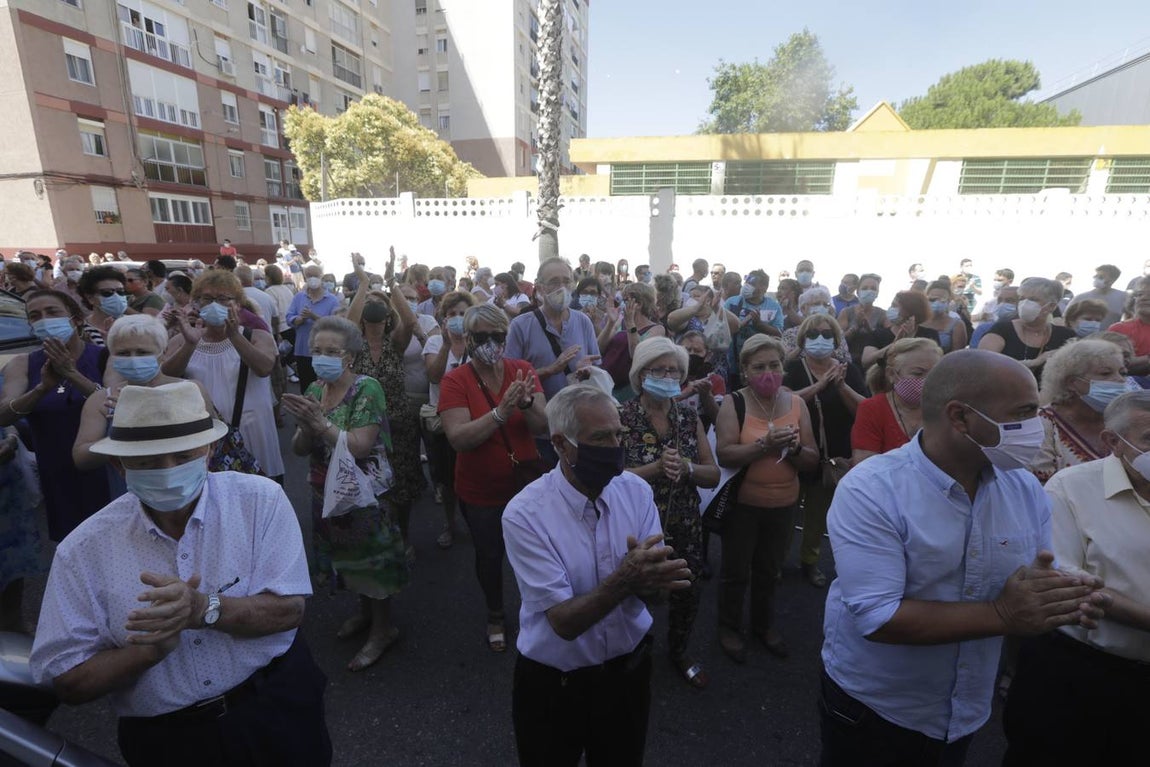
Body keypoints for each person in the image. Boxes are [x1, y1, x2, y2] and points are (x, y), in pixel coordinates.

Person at [818, 349, 1109, 767]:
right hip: (877, 709)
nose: (1036, 425)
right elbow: (878, 616)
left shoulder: (1023, 488)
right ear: (960, 417)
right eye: (1024, 413)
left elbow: (1036, 572)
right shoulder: (872, 490)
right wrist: (1004, 614)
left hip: (966, 712)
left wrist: (1067, 594)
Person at [31, 381, 331, 766]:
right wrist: (148, 650)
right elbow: (68, 681)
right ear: (119, 466)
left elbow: (289, 610)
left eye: (181, 456)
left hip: (275, 707)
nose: (168, 471)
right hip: (168, 741)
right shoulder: (83, 550)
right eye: (149, 462)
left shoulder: (259, 501)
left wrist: (203, 608)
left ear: (208, 452)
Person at [502, 384, 691, 767]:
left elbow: (653, 588)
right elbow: (564, 622)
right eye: (600, 437)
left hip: (627, 676)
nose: (615, 446)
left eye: (619, 434)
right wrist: (627, 580)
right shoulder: (525, 514)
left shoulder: (635, 491)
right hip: (556, 684)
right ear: (560, 444)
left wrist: (655, 582)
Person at [1003, 390, 1150, 764]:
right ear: (1112, 442)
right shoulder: (1071, 489)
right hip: (1081, 674)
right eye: (1149, 439)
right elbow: (1069, 582)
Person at [281, 318, 407, 672]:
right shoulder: (316, 389)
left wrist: (322, 425)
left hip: (364, 494)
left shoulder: (367, 389)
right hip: (327, 491)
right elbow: (299, 449)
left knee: (373, 564)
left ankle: (384, 629)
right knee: (349, 559)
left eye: (331, 352)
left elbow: (361, 446)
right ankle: (365, 615)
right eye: (317, 350)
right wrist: (307, 427)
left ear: (350, 356)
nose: (322, 357)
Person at [439, 303, 549, 652]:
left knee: (538, 552)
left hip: (526, 484)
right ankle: (496, 613)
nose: (491, 343)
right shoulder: (455, 380)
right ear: (468, 339)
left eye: (497, 336)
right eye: (482, 336)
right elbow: (459, 438)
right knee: (489, 555)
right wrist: (501, 413)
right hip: (481, 490)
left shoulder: (523, 369)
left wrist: (528, 404)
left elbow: (544, 426)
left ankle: (542, 609)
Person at [620, 338, 720, 688]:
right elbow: (609, 476)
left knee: (687, 587)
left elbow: (713, 474)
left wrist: (688, 468)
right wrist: (656, 468)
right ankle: (628, 647)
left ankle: (679, 650)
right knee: (630, 588)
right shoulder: (622, 417)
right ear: (641, 374)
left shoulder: (688, 416)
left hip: (684, 520)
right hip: (634, 523)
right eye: (659, 369)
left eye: (674, 370)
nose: (667, 375)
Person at [714, 335, 818, 662]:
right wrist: (765, 445)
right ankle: (729, 626)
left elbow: (812, 458)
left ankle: (763, 625)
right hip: (744, 506)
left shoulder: (797, 404)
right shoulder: (734, 403)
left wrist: (794, 448)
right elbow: (726, 454)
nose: (768, 373)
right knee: (736, 571)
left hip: (785, 505)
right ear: (745, 370)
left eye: (774, 365)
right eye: (759, 367)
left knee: (769, 570)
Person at [0, 289, 111, 540]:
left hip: (105, 467)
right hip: (58, 473)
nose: (45, 320)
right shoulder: (23, 364)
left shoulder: (105, 357)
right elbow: (4, 415)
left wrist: (71, 374)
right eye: (35, 316)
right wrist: (41, 389)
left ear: (76, 318)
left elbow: (115, 404)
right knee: (73, 545)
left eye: (52, 312)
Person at [73, 315, 217, 498]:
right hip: (134, 494)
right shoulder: (102, 400)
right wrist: (122, 432)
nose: (133, 359)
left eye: (142, 352)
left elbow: (213, 441)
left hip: (191, 489)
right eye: (123, 353)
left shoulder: (191, 389)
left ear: (163, 352)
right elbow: (82, 458)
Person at [162, 271, 284, 482]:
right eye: (207, 299)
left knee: (263, 491)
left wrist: (234, 336)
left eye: (223, 299)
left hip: (253, 429)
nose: (214, 304)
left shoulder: (256, 336)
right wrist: (190, 345)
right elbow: (167, 376)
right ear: (196, 303)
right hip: (206, 433)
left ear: (237, 304)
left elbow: (264, 368)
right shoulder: (184, 339)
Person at [784, 314, 867, 587]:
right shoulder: (792, 367)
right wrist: (819, 386)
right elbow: (782, 401)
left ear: (836, 339)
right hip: (794, 452)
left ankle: (810, 562)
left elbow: (862, 411)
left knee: (818, 516)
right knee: (785, 513)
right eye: (813, 334)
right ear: (803, 338)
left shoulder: (848, 370)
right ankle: (776, 562)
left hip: (833, 455)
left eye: (827, 334)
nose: (820, 339)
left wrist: (840, 386)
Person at [345, 266, 427, 545]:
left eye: (380, 303)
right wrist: (364, 283)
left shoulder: (395, 343)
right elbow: (349, 320)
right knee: (368, 486)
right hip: (364, 426)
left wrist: (392, 283)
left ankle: (402, 539)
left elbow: (410, 319)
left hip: (399, 426)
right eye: (370, 302)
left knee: (401, 488)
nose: (374, 306)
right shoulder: (354, 346)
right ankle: (374, 541)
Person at [1027, 339, 1126, 484]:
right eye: (1105, 373)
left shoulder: (1126, 420)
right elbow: (1043, 488)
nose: (1120, 380)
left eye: (1123, 373)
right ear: (1072, 382)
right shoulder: (1043, 425)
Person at [506, 258, 601, 405]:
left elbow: (596, 367)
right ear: (540, 287)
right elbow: (510, 379)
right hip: (539, 418)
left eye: (567, 281)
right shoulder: (520, 325)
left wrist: (587, 371)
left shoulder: (583, 321)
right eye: (554, 282)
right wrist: (550, 370)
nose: (562, 287)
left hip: (578, 415)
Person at [424, 290, 478, 548]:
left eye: (463, 314)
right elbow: (434, 376)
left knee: (475, 473)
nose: (457, 318)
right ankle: (450, 523)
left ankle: (475, 520)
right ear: (444, 318)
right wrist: (446, 345)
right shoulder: (434, 343)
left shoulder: (479, 343)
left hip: (474, 421)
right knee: (447, 480)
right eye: (452, 314)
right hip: (444, 422)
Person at [851, 338, 942, 464]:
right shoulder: (872, 409)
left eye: (934, 373)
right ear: (891, 374)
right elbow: (866, 466)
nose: (927, 380)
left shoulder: (945, 408)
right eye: (918, 373)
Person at [978, 277, 1075, 381]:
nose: (1025, 303)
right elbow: (983, 367)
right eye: (1021, 298)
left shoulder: (1065, 336)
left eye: (1033, 299)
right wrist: (1035, 362)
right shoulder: (1002, 330)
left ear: (1051, 306)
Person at [599, 281, 664, 401]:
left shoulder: (657, 329)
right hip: (606, 385)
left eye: (625, 299)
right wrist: (611, 323)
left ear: (638, 304)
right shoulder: (619, 322)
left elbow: (637, 355)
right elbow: (599, 348)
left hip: (628, 391)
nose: (622, 303)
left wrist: (630, 325)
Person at [666, 283, 737, 384]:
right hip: (688, 370)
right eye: (691, 296)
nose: (692, 299)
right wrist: (696, 308)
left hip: (715, 372)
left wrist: (717, 308)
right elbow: (671, 320)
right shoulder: (687, 317)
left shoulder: (717, 316)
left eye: (696, 296)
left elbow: (736, 325)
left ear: (708, 300)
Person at [286, 264, 341, 392]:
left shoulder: (332, 300)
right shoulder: (299, 297)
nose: (312, 279)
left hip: (325, 350)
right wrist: (299, 319)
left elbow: (336, 324)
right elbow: (289, 317)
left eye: (315, 276)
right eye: (309, 276)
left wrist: (314, 316)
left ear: (321, 277)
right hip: (303, 349)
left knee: (327, 386)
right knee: (306, 386)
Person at [861, 291, 941, 368]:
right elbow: (866, 361)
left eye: (894, 305)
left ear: (909, 311)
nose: (890, 309)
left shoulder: (929, 335)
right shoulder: (878, 334)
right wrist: (896, 343)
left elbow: (936, 363)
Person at [838, 273, 889, 366]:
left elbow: (886, 341)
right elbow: (839, 341)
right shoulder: (846, 312)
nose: (869, 291)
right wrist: (855, 327)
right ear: (858, 291)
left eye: (873, 288)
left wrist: (869, 329)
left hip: (873, 364)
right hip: (849, 362)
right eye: (865, 288)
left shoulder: (883, 314)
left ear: (877, 293)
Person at [77, 265, 130, 346]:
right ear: (90, 298)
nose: (116, 296)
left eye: (120, 291)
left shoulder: (136, 325)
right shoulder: (81, 332)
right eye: (107, 292)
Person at [1066, 264, 1126, 328]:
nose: (1096, 278)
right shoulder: (1081, 297)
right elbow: (1067, 317)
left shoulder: (1123, 298)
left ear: (1112, 280)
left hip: (1108, 336)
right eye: (1096, 276)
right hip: (1083, 336)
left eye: (1101, 277)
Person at [921, 281, 968, 353]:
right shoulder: (917, 321)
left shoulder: (957, 325)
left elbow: (956, 355)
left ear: (949, 301)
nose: (937, 303)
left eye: (942, 300)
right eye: (932, 299)